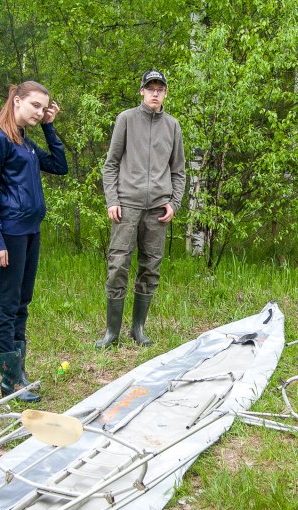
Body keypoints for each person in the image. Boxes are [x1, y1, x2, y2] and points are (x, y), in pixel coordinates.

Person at [0, 81, 68, 402]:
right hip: (10, 234)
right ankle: (10, 380)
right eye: (35, 105)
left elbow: (59, 166)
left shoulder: (24, 141)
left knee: (22, 301)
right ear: (17, 101)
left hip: (31, 230)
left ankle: (19, 372)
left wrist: (49, 127)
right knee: (6, 304)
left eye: (44, 107)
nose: (40, 112)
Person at [95, 69, 186, 348]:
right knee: (118, 265)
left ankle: (138, 329)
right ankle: (112, 332)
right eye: (150, 88)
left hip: (158, 210)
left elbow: (178, 171)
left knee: (151, 267)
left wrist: (174, 203)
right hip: (127, 206)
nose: (155, 93)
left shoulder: (173, 126)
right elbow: (111, 164)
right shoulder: (126, 119)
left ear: (165, 93)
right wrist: (112, 200)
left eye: (160, 89)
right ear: (142, 91)